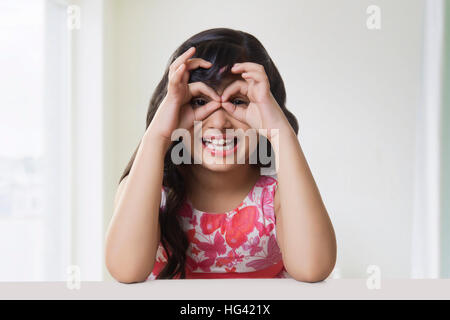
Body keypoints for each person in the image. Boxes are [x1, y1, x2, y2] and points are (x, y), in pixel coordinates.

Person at [105, 28, 336, 282]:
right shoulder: (149, 192)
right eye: (200, 102)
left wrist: (280, 132)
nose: (218, 122)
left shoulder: (280, 198)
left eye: (238, 101)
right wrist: (158, 135)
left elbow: (314, 268)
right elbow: (125, 270)